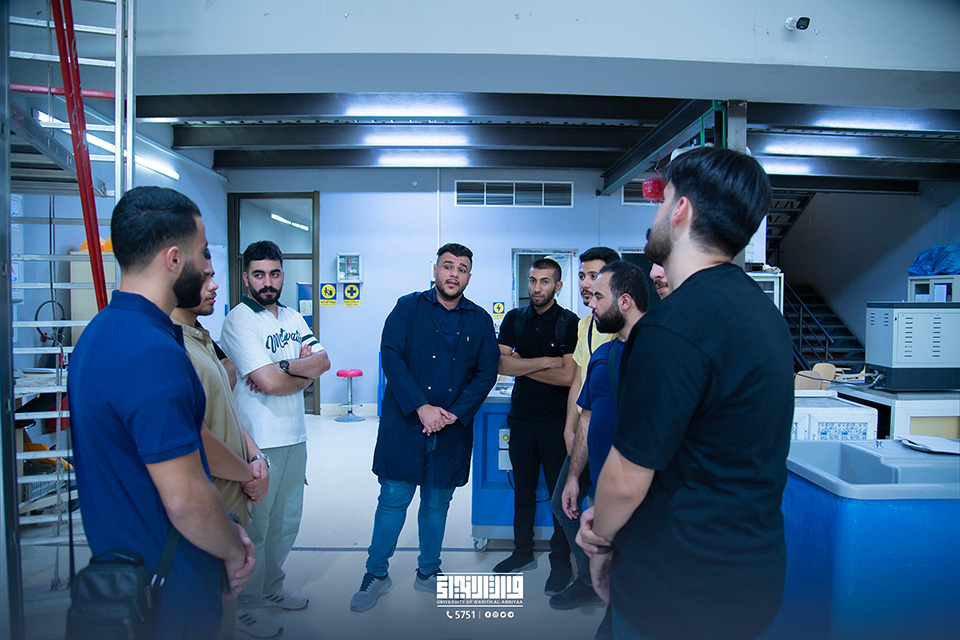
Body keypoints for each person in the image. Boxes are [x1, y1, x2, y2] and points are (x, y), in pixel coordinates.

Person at [578, 147, 794, 640]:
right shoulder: (764, 316)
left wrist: (600, 539)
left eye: (662, 201)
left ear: (680, 210)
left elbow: (626, 479)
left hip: (676, 587)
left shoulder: (669, 329)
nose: (656, 215)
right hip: (751, 578)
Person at [68, 186, 255, 640]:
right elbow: (185, 498)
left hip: (125, 574)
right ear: (174, 259)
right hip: (171, 591)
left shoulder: (100, 334)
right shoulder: (151, 353)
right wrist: (234, 552)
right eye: (202, 252)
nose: (208, 267)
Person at [350, 243, 500, 612]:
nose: (454, 274)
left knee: (437, 503)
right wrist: (421, 407)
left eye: (462, 269)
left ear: (469, 276)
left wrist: (452, 414)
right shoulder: (407, 308)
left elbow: (486, 372)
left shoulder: (480, 320)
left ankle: (429, 571)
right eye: (448, 266)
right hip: (406, 424)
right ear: (435, 270)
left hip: (451, 429)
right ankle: (376, 573)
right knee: (393, 499)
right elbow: (391, 356)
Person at [220, 240, 331, 638]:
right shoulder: (239, 321)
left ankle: (271, 587)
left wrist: (284, 367)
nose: (267, 282)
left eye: (274, 273)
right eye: (258, 274)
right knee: (256, 527)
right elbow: (266, 383)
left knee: (286, 522)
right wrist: (299, 372)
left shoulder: (294, 317)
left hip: (294, 435)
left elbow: (323, 362)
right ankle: (247, 605)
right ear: (246, 277)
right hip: (257, 440)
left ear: (283, 275)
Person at [171, 259, 271, 640]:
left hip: (231, 508)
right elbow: (196, 436)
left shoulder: (200, 338)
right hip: (207, 512)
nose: (215, 285)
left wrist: (256, 457)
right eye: (205, 277)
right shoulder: (172, 348)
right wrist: (248, 474)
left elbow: (226, 412)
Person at [560, 261, 649, 639]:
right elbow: (587, 418)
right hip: (603, 488)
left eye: (599, 296)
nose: (591, 304)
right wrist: (574, 478)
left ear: (624, 302)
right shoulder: (603, 355)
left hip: (644, 497)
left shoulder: (662, 355)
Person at [494, 258, 579, 594]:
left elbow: (568, 376)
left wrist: (522, 365)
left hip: (556, 423)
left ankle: (560, 561)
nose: (537, 288)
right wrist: (545, 361)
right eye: (532, 280)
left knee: (559, 496)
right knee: (523, 489)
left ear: (558, 286)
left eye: (545, 281)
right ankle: (522, 552)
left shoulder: (569, 323)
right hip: (521, 419)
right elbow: (500, 364)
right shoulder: (514, 319)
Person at [550, 246, 620, 609]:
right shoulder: (585, 324)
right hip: (584, 432)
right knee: (564, 504)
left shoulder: (619, 325)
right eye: (582, 276)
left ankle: (609, 583)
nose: (586, 283)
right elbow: (577, 380)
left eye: (594, 275)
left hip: (610, 436)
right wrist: (570, 427)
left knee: (608, 513)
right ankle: (591, 578)